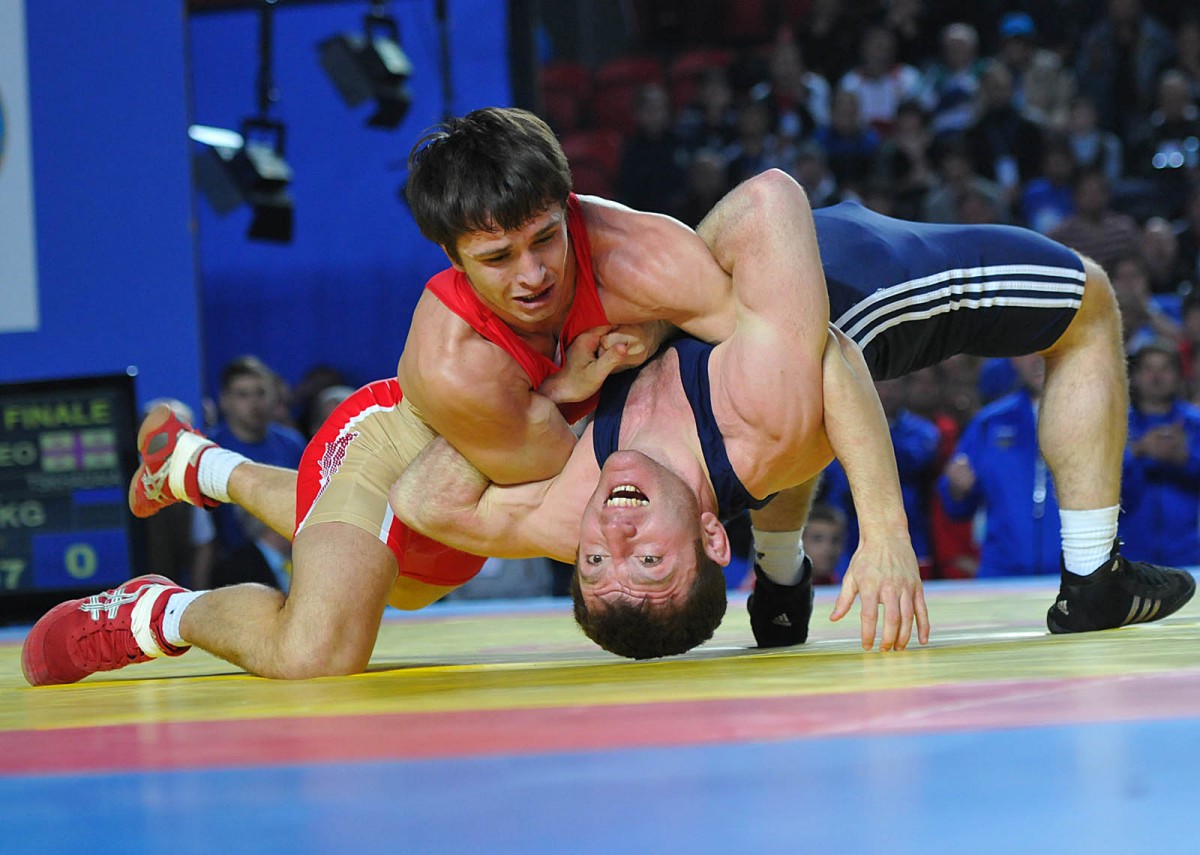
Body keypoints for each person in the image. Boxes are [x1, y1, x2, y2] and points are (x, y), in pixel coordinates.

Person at [20, 109, 838, 685]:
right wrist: (582, 378)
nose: (533, 275)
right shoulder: (452, 361)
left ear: (568, 208)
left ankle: (195, 465)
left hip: (485, 469)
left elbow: (764, 346)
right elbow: (553, 464)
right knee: (319, 648)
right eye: (497, 258)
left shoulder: (635, 246)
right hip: (407, 446)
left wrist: (651, 336)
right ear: (453, 257)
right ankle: (154, 614)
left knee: (410, 581)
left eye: (545, 239)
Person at [389, 201, 1196, 657]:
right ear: (711, 538)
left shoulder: (571, 510)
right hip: (851, 283)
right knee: (1088, 302)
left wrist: (554, 396)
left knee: (763, 387)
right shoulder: (766, 426)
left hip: (747, 326)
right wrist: (884, 531)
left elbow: (423, 499)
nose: (618, 534)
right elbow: (789, 257)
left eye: (596, 561)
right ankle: (1093, 577)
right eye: (648, 558)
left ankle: (779, 585)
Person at [937, 355, 1063, 577]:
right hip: (1002, 577)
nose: (1038, 359)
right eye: (1029, 350)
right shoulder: (989, 422)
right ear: (1014, 359)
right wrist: (957, 489)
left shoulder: (1098, 417)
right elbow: (956, 508)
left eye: (1048, 347)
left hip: (1075, 577)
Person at [207, 355, 307, 558]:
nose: (254, 403)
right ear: (225, 401)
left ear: (274, 397)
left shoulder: (292, 444)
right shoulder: (210, 449)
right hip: (229, 560)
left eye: (261, 393)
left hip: (289, 558)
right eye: (242, 395)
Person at [1121, 339, 1200, 567]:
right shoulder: (1116, 426)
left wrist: (1184, 459)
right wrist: (1138, 450)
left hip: (1188, 554)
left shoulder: (1195, 423)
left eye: (1165, 368)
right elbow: (1098, 479)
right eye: (1148, 369)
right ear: (1134, 377)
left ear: (1178, 376)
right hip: (1131, 555)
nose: (1156, 376)